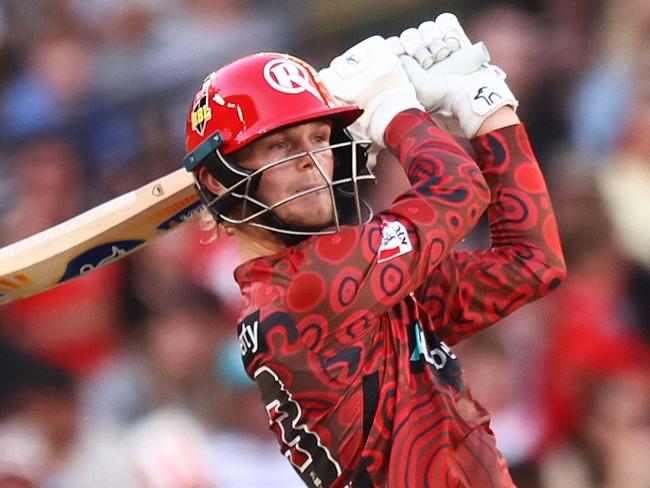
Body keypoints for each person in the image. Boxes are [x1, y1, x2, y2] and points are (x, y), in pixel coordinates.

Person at [181, 13, 566, 488]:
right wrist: (394, 112)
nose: (310, 162)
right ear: (219, 180)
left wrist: (486, 104)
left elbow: (530, 264)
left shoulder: (359, 295)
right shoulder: (309, 287)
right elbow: (457, 191)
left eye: (319, 138)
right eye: (281, 146)